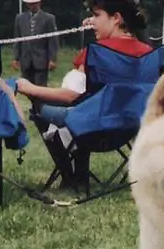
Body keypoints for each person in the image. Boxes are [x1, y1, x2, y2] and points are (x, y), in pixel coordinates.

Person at [15, 0, 152, 190]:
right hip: (129, 129)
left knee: (39, 109)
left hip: (93, 131)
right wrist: (101, 27)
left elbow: (71, 95)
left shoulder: (96, 53)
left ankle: (71, 177)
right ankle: (77, 176)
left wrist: (30, 88)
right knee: (84, 108)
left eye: (97, 15)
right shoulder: (149, 53)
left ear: (116, 18)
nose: (92, 21)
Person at [12, 0, 58, 88]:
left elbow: (53, 40)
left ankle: (40, 102)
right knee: (27, 86)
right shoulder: (20, 18)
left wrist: (52, 59)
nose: (32, 6)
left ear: (39, 3)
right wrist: (16, 58)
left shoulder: (48, 18)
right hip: (26, 59)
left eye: (34, 4)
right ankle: (34, 102)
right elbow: (17, 39)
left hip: (41, 59)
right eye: (29, 4)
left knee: (40, 87)